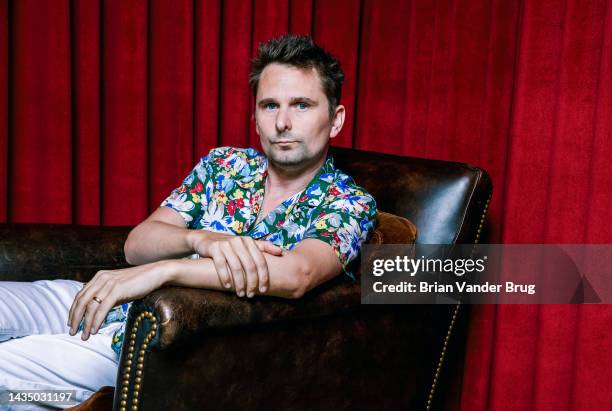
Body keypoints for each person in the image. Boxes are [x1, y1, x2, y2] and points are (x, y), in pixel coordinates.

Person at [0, 34, 377, 409]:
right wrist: (202, 240)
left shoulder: (347, 203)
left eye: (301, 105)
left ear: (335, 119)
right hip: (101, 302)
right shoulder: (224, 165)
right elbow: (138, 243)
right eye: (269, 106)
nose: (282, 122)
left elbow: (297, 275)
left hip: (151, 346)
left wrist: (164, 271)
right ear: (255, 118)